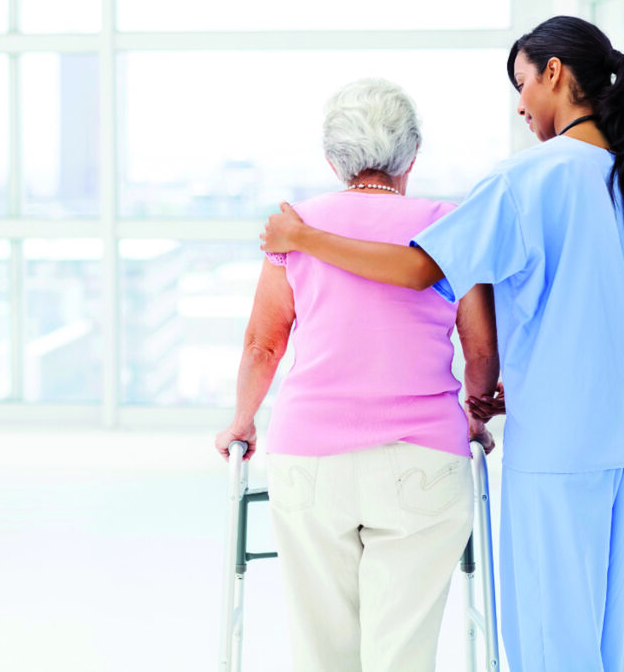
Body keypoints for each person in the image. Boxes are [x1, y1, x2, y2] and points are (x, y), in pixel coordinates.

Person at [260, 16, 624, 672]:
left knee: (548, 633)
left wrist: (304, 238)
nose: (521, 105)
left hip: (556, 439)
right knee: (602, 626)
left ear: (554, 74)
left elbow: (420, 269)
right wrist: (563, 356)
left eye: (523, 84)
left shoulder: (526, 179)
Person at [214, 78, 500, 672]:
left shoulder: (295, 227)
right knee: (402, 651)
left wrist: (241, 421)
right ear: (412, 154)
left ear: (333, 159)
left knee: (322, 647)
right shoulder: (449, 224)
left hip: (310, 457)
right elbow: (479, 350)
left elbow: (264, 344)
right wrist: (474, 417)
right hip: (426, 456)